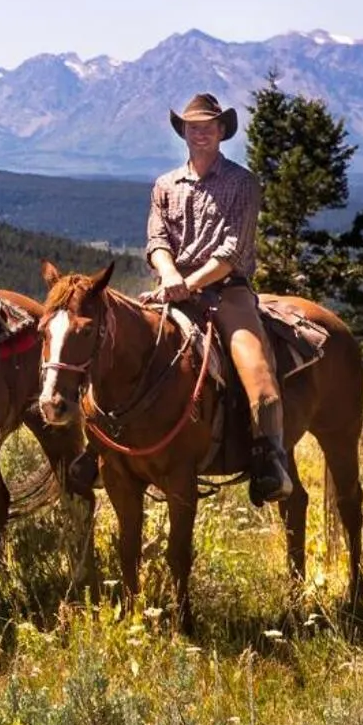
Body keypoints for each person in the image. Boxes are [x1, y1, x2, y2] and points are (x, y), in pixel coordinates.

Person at [146, 92, 295, 504]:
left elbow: (231, 251)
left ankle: (269, 458)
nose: (201, 132)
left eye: (208, 126)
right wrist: (171, 273)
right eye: (194, 126)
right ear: (184, 132)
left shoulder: (242, 183)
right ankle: (106, 446)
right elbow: (157, 240)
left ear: (221, 131)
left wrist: (189, 284)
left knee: (257, 373)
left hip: (226, 291)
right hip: (172, 285)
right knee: (115, 341)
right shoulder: (165, 185)